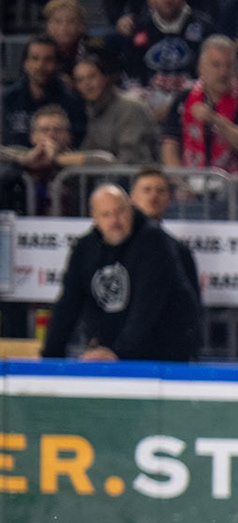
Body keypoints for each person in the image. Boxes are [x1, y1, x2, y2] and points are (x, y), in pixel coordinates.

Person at [41, 183, 198, 362]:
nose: (114, 221)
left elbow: (147, 307)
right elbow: (68, 305)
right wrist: (50, 356)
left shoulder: (155, 243)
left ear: (130, 209)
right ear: (94, 218)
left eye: (119, 212)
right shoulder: (85, 248)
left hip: (162, 353)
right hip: (115, 351)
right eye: (106, 215)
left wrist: (119, 352)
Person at [160, 35, 238, 174]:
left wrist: (216, 120)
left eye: (229, 65)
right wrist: (179, 181)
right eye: (216, 65)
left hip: (236, 186)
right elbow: (170, 146)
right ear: (201, 67)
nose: (223, 72)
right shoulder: (183, 99)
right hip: (189, 184)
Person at [128, 164, 200, 338]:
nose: (153, 196)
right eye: (146, 190)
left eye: (160, 191)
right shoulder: (116, 246)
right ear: (132, 197)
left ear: (169, 198)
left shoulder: (179, 251)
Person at [118, 0, 216, 107]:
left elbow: (212, 80)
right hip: (146, 109)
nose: (167, 1)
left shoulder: (206, 28)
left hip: (193, 106)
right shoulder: (136, 29)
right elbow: (130, 79)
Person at [71, 56, 161, 165]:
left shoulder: (130, 107)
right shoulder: (92, 111)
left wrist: (108, 181)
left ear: (105, 77)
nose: (87, 84)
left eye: (92, 77)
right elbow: (89, 151)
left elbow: (131, 158)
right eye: (80, 80)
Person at [3, 36, 85, 148]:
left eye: (48, 60)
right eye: (35, 58)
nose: (40, 66)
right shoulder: (7, 99)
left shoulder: (73, 103)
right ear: (25, 64)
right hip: (16, 162)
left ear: (57, 65)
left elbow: (78, 145)